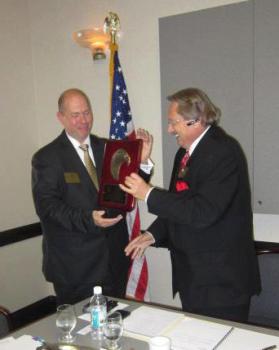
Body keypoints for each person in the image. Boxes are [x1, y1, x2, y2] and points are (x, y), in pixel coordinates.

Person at [120, 87, 261, 322]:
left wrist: (148, 194)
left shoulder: (223, 151)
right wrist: (153, 234)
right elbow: (180, 205)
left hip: (221, 285)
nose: (168, 129)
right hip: (194, 278)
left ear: (195, 121)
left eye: (173, 122)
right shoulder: (184, 154)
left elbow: (203, 212)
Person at [32, 88, 153, 305]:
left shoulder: (107, 148)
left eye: (86, 113)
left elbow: (127, 187)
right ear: (61, 118)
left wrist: (142, 162)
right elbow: (48, 208)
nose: (83, 120)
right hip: (75, 268)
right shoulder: (47, 157)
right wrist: (90, 218)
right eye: (75, 115)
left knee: (115, 325)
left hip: (114, 262)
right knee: (80, 333)